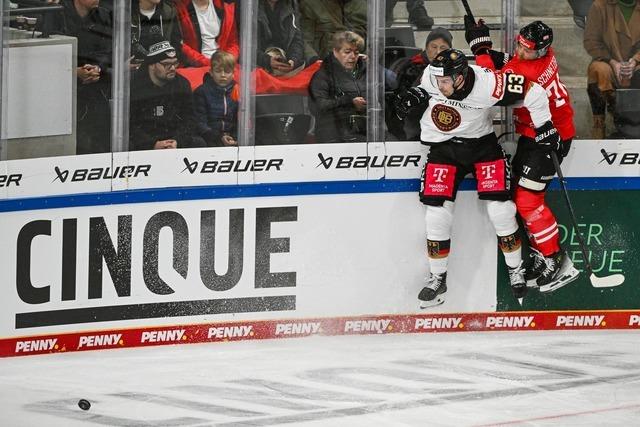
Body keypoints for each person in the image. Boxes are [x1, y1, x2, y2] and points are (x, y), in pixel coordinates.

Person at [395, 49, 563, 307]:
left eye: (447, 81)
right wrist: (416, 95)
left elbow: (535, 93)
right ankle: (437, 277)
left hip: (482, 147)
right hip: (442, 148)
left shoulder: (488, 83)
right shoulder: (434, 74)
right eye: (439, 81)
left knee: (502, 211)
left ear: (461, 76)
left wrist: (545, 126)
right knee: (436, 215)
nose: (442, 85)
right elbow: (427, 88)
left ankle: (515, 269)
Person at [465, 19, 580, 292]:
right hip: (536, 135)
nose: (521, 50)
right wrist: (492, 52)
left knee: (528, 202)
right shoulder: (544, 57)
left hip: (549, 136)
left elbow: (491, 88)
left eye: (528, 49)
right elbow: (511, 63)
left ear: (541, 51)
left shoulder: (525, 70)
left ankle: (557, 260)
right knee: (522, 197)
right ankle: (543, 253)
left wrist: (481, 50)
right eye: (520, 45)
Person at [44, 0, 113, 155]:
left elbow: (109, 50)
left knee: (99, 136)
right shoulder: (55, 13)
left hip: (95, 83)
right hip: (60, 90)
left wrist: (97, 68)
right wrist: (72, 71)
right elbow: (46, 54)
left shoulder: (104, 15)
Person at [129, 37, 206, 151]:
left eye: (175, 63)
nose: (173, 68)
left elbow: (190, 120)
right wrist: (152, 144)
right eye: (166, 64)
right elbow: (129, 125)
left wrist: (177, 141)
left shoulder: (182, 84)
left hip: (174, 140)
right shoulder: (134, 86)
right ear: (152, 65)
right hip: (145, 143)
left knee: (199, 143)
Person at [583, 0, 640, 138]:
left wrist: (635, 60)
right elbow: (591, 41)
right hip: (609, 60)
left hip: (637, 62)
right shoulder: (600, 5)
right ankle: (599, 125)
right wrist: (612, 62)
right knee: (598, 70)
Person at [387, 27, 452, 140]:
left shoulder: (456, 70)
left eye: (443, 48)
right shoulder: (410, 68)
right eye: (434, 47)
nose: (437, 52)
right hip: (413, 129)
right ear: (426, 48)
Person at [309, 31, 367, 143]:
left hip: (362, 130)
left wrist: (374, 66)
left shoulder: (364, 72)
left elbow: (392, 82)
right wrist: (350, 102)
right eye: (347, 52)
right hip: (333, 134)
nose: (353, 57)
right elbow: (317, 107)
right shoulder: (323, 75)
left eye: (356, 52)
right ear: (335, 52)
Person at [193, 51, 239, 147]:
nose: (222, 75)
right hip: (210, 137)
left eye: (227, 71)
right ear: (211, 72)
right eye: (218, 71)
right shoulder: (201, 92)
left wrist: (234, 136)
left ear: (233, 73)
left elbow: (239, 120)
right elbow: (200, 123)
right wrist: (219, 137)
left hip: (233, 136)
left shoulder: (238, 91)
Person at [175, 0, 240, 67]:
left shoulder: (226, 7)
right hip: (193, 67)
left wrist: (228, 59)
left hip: (223, 67)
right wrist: (209, 63)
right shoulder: (179, 7)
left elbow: (233, 42)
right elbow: (179, 44)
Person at [299, 0, 367, 60]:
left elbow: (373, 38)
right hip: (325, 66)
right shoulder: (310, 4)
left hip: (362, 66)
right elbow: (304, 41)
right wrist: (315, 62)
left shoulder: (365, 6)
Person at [257, 0, 305, 77]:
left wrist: (293, 60)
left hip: (284, 58)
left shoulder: (290, 4)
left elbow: (296, 39)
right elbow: (246, 46)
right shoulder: (250, 6)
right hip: (260, 63)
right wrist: (267, 61)